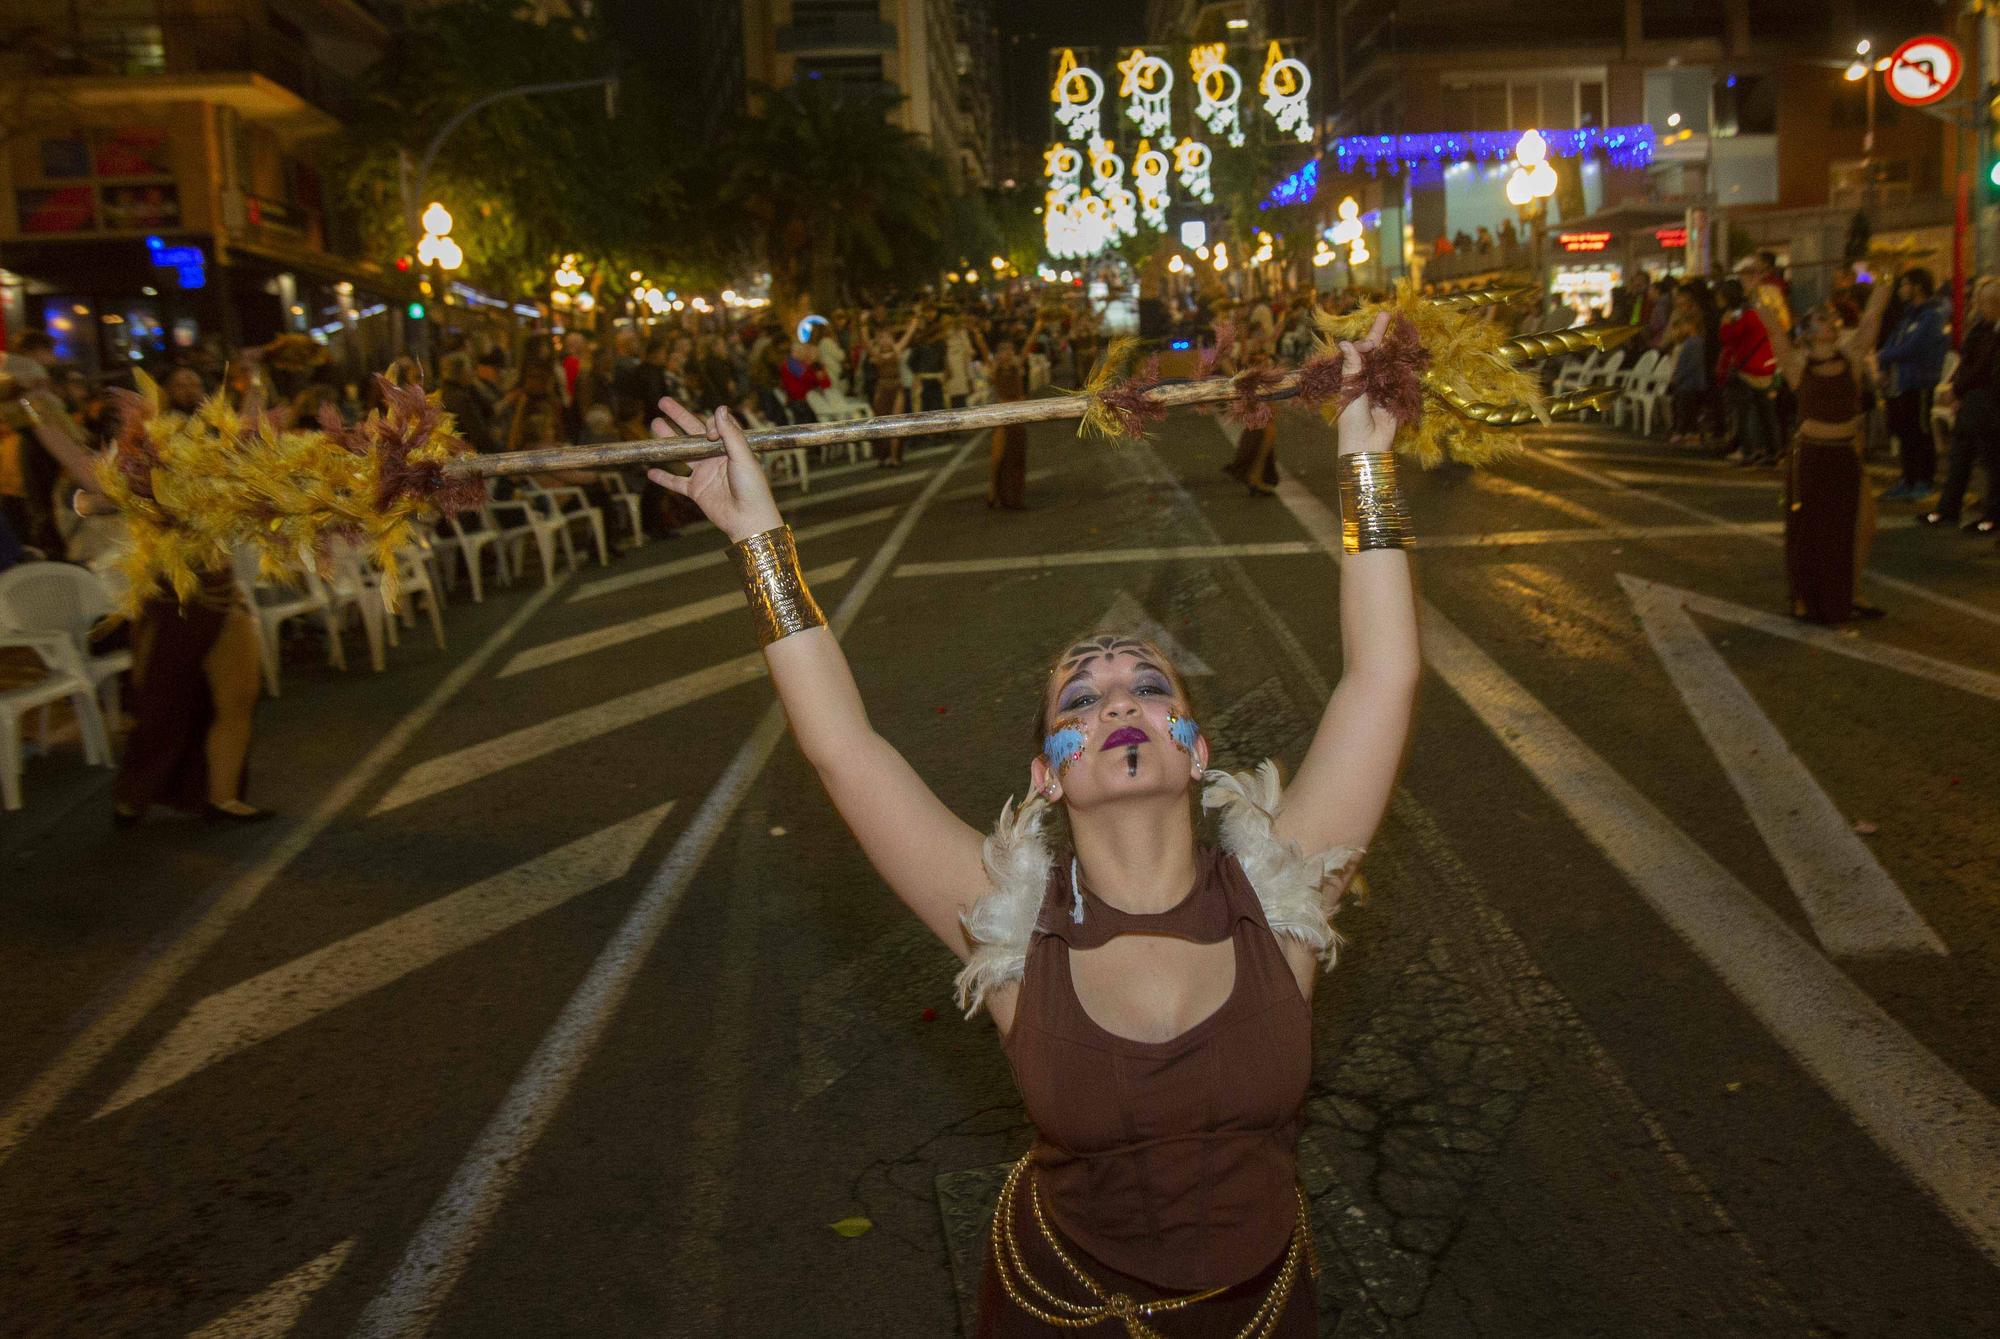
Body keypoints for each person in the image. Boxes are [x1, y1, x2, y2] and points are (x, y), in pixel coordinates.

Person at [641, 311, 1416, 1336]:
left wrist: (1365, 460)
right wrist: (757, 540)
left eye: (1146, 685)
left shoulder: (1281, 899)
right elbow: (845, 751)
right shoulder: (1009, 930)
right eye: (1079, 701)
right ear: (1044, 779)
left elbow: (1381, 676)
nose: (1117, 704)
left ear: (1192, 751)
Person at [1760, 281, 1894, 623]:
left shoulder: (1850, 358)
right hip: (1811, 455)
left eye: (1832, 317)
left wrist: (1888, 278)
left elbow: (1873, 318)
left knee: (1861, 525)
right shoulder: (1796, 365)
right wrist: (1758, 294)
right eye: (1821, 318)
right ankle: (1805, 598)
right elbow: (1774, 329)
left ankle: (1851, 592)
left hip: (1847, 453)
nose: (1831, 321)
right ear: (1805, 332)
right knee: (1808, 530)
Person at [1920, 276, 2000, 535]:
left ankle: (1991, 515)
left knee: (1991, 460)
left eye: (1986, 301)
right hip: (1975, 400)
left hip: (1986, 400)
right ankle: (1948, 508)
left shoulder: (1992, 332)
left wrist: (1958, 389)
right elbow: (1968, 362)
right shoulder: (1983, 328)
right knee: (1961, 455)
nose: (1980, 305)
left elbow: (1984, 367)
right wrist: (1958, 391)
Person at [1874, 268, 1949, 502]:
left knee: (1920, 432)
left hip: (1921, 382)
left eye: (1905, 284)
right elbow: (1892, 343)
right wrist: (1884, 359)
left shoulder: (1932, 315)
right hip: (1902, 383)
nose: (1901, 290)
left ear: (1917, 286)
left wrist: (1883, 357)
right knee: (1904, 433)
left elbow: (1913, 348)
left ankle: (1924, 481)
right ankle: (1907, 479)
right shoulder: (1908, 316)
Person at [1716, 279, 1779, 465]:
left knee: (1743, 413)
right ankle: (1773, 451)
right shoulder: (1759, 314)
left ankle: (1748, 451)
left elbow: (1729, 338)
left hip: (1747, 368)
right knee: (1766, 413)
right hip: (1765, 367)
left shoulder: (1741, 315)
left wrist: (1726, 324)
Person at [986, 337, 1030, 510]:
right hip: (1003, 417)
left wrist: (1039, 325)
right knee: (998, 458)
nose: (1008, 354)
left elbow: (1027, 345)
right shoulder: (994, 369)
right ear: (998, 355)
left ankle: (1016, 497)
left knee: (1017, 457)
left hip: (1019, 415)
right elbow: (983, 350)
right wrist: (977, 335)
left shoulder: (1017, 367)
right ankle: (993, 491)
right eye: (1004, 351)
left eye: (1010, 350)